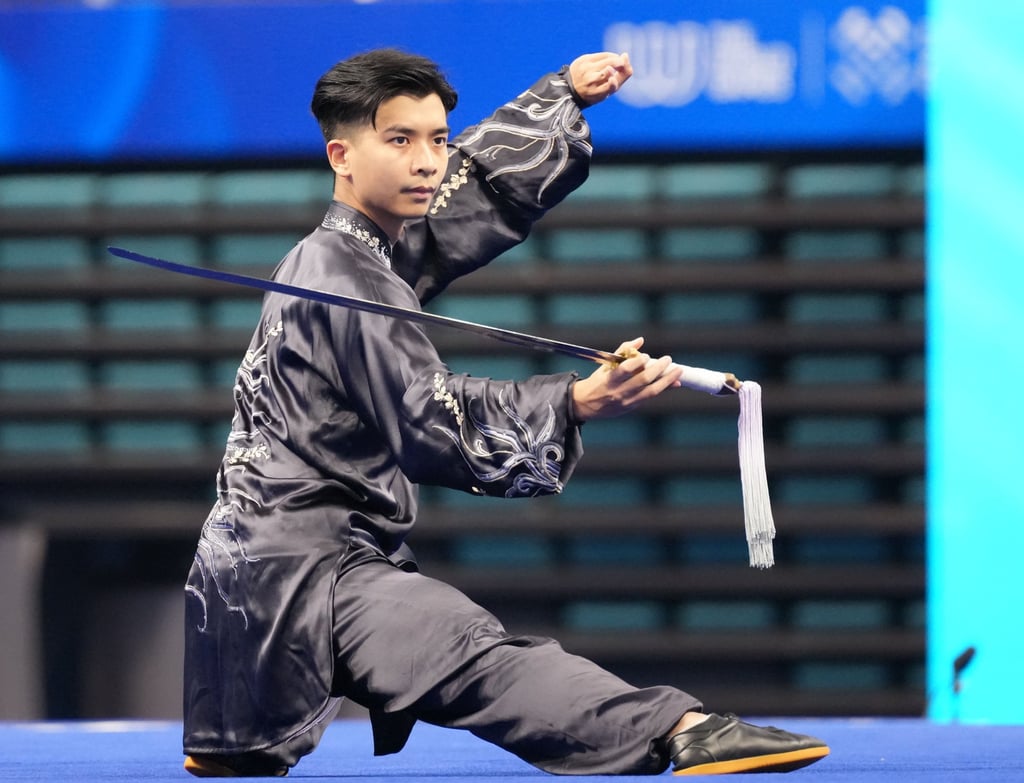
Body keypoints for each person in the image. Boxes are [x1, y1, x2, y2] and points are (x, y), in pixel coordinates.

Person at [181, 48, 830, 777]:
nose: (429, 160)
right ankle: (681, 729)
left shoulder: (366, 254)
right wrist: (578, 398)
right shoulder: (343, 270)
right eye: (400, 140)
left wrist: (562, 96)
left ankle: (675, 726)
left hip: (248, 579)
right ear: (342, 155)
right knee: (469, 649)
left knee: (279, 740)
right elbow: (426, 417)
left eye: (437, 138)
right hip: (306, 568)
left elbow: (466, 196)